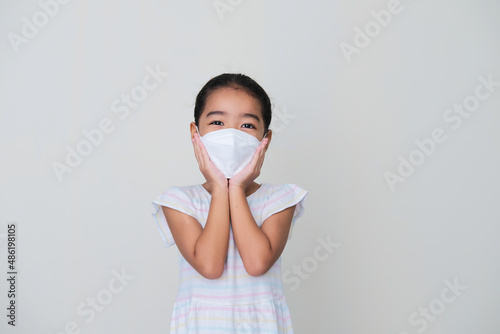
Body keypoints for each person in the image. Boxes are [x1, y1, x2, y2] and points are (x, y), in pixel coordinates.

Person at [151, 73, 308, 333]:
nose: (232, 135)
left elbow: (257, 264)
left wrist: (234, 187)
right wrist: (218, 188)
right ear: (195, 132)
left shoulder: (280, 199)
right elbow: (210, 266)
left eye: (247, 126)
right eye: (217, 122)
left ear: (265, 140)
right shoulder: (179, 201)